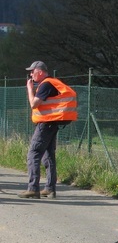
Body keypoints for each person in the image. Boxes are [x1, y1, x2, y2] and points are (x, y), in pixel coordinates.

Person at [18, 61, 77, 199]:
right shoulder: (52, 82)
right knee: (48, 155)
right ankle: (50, 189)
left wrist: (29, 88)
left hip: (46, 124)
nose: (31, 74)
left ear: (39, 71)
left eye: (32, 71)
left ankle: (33, 189)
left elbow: (34, 104)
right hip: (52, 123)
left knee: (34, 153)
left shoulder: (45, 84)